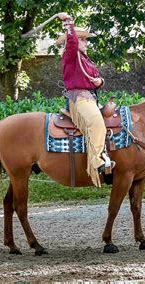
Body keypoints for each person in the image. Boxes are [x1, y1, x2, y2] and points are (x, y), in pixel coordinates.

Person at [56, 12, 114, 187]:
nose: (86, 42)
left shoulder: (86, 60)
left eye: (86, 40)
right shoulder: (70, 54)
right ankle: (97, 161)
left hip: (92, 98)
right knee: (96, 122)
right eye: (83, 40)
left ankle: (108, 156)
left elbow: (96, 78)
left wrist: (100, 81)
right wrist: (68, 21)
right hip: (79, 99)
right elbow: (72, 42)